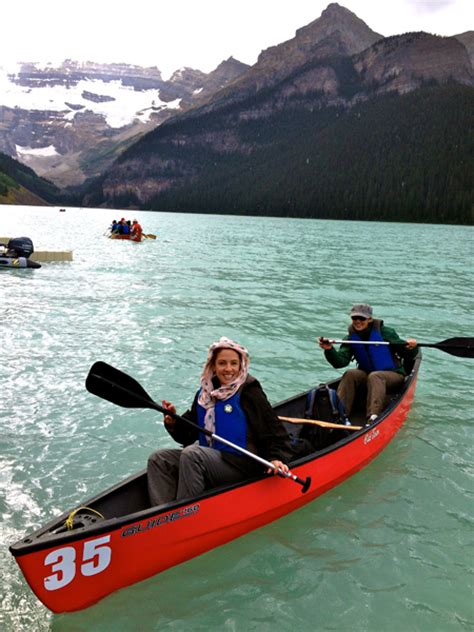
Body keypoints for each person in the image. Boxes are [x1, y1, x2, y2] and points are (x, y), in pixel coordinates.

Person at [147, 337, 292, 506]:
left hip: (242, 464)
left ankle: (186, 514)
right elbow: (187, 434)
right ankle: (161, 515)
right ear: (213, 366)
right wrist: (173, 422)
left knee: (192, 454)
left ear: (241, 366)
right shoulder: (205, 394)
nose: (228, 369)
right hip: (212, 459)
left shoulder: (250, 393)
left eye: (233, 363)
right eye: (222, 363)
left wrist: (276, 458)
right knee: (158, 458)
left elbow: (276, 432)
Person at [318, 304, 418, 425]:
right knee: (350, 373)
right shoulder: (350, 338)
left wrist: (411, 348)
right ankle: (340, 414)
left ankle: (373, 417)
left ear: (369, 319)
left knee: (375, 376)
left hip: (394, 376)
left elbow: (406, 354)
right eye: (355, 318)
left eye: (362, 318)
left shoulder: (386, 333)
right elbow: (340, 362)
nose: (358, 321)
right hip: (368, 375)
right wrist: (329, 350)